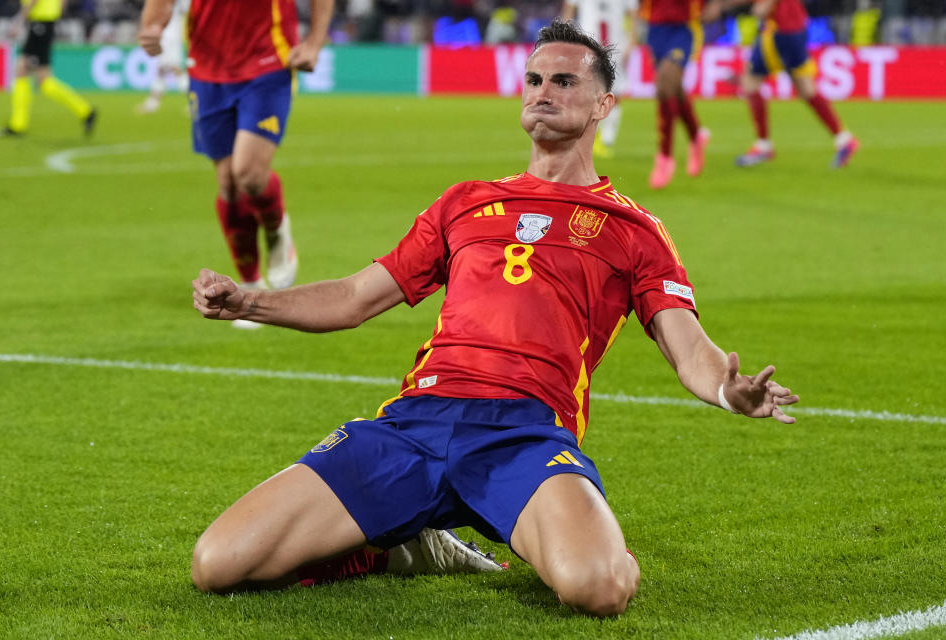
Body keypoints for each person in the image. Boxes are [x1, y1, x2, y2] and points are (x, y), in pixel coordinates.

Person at [190, 19, 799, 617]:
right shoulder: (466, 202)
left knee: (600, 586)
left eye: (563, 81)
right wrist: (249, 301)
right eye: (533, 79)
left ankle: (545, 527)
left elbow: (687, 346)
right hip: (415, 424)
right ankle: (395, 549)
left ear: (603, 104)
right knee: (217, 564)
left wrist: (726, 388)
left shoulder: (634, 231)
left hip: (524, 436)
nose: (542, 91)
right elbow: (354, 297)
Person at [138, 0, 332, 328]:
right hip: (206, 68)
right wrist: (154, 25)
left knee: (249, 174)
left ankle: (275, 227)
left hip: (268, 62)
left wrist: (313, 43)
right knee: (227, 182)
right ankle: (250, 286)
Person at [703, 0, 859, 168]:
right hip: (796, 29)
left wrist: (765, 5)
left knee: (750, 83)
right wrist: (722, 4)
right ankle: (844, 139)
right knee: (806, 89)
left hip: (779, 31)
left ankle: (763, 146)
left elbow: (760, 9)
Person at [0, 0, 97, 138]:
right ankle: (86, 111)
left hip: (40, 23)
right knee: (41, 79)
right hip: (45, 23)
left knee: (23, 70)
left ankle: (18, 124)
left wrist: (20, 19)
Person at [640, 0, 711, 189]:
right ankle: (696, 136)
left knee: (664, 83)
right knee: (674, 88)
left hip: (683, 28)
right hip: (656, 28)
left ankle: (665, 156)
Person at [560, 0, 639, 159]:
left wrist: (631, 42)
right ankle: (586, 137)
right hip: (587, 46)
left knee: (615, 94)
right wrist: (565, 38)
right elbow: (569, 9)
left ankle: (606, 140)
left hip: (616, 47)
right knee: (585, 92)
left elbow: (633, 15)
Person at [136, 0, 189, 115]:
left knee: (175, 68)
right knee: (161, 69)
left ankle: (193, 101)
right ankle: (153, 102)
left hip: (171, 32)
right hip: (166, 31)